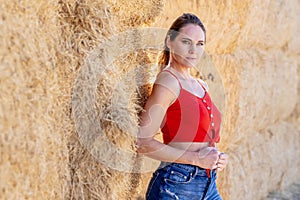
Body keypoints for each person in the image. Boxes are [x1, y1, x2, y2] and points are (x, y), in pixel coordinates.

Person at [136, 13, 229, 200]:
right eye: (186, 42)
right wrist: (196, 159)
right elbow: (142, 142)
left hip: (208, 185)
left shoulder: (202, 85)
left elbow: (201, 137)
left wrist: (218, 157)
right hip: (176, 185)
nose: (193, 50)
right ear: (170, 42)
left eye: (200, 43)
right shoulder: (168, 83)